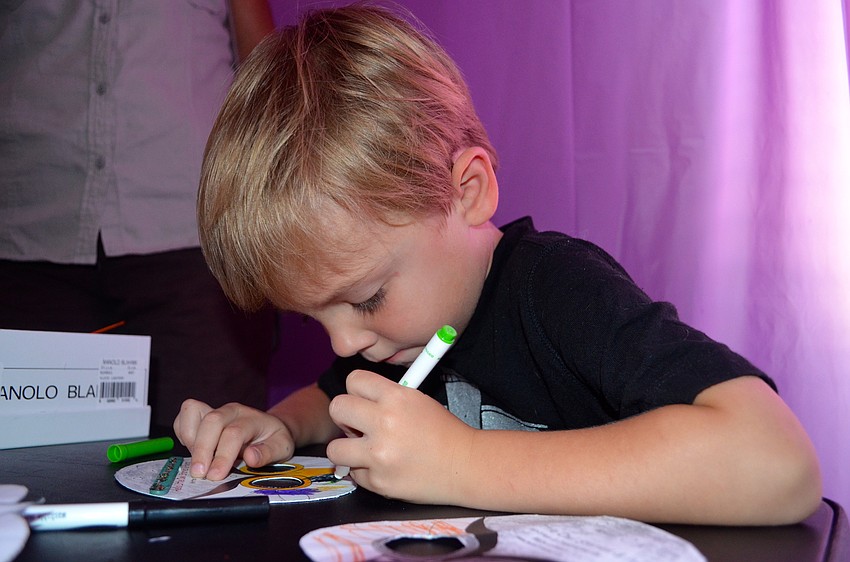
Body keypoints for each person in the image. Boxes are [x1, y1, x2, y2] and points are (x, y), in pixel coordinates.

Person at [172, 4, 822, 525]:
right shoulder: (398, 337)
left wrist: (465, 463)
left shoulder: (558, 288)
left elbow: (779, 466)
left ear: (467, 190)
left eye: (366, 298)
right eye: (314, 320)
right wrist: (280, 425)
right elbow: (335, 391)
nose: (346, 341)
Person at [0, 1, 276, 432]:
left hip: (195, 231)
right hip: (29, 224)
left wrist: (271, 197)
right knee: (35, 463)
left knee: (210, 458)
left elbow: (262, 63)